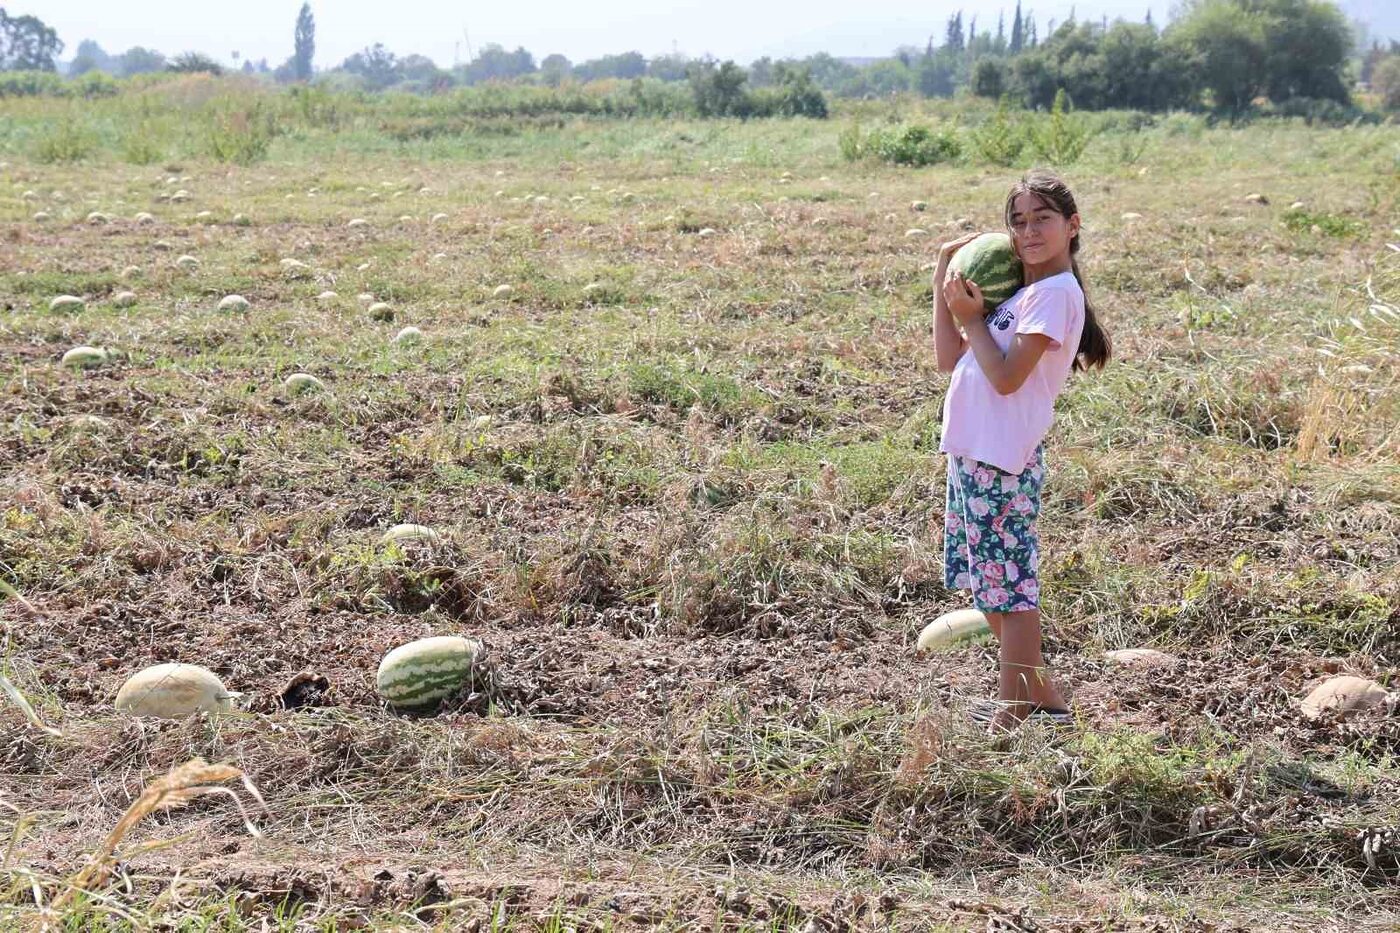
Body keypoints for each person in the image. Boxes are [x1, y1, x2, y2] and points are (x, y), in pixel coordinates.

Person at [932, 169, 1112, 734]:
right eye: (1018, 221)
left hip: (1002, 457)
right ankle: (1042, 697)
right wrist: (945, 274)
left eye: (1043, 219)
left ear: (1072, 226)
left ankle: (1013, 713)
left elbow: (1008, 378)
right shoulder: (1027, 292)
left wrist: (971, 320)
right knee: (990, 583)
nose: (1028, 231)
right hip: (973, 450)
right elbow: (947, 357)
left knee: (1010, 588)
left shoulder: (1057, 295)